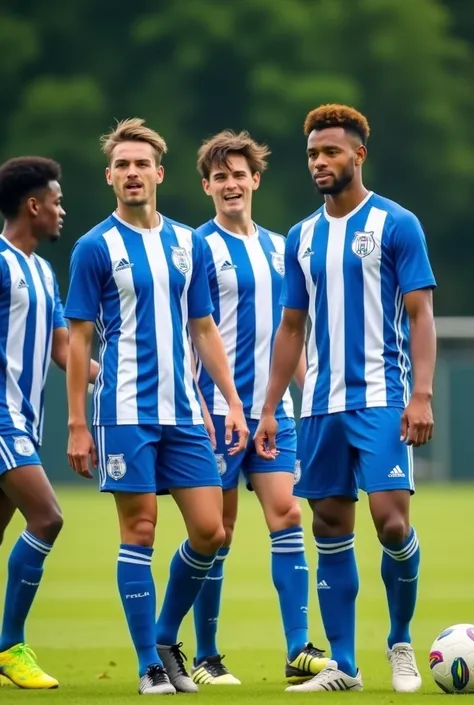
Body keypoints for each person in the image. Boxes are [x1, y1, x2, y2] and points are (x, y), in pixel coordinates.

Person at [255, 104, 436, 693]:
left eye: (330, 152)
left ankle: (401, 641)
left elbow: (420, 314)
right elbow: (290, 329)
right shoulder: (302, 237)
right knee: (329, 525)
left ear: (358, 154)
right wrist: (268, 408)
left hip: (383, 399)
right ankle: (344, 665)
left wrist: (423, 395)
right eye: (312, 154)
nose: (319, 163)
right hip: (319, 409)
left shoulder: (397, 224)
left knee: (390, 522)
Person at [64, 118, 249, 696]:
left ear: (160, 173)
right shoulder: (94, 247)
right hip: (124, 411)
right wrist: (76, 423)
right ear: (109, 177)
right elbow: (77, 340)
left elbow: (203, 327)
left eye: (141, 163)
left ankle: (166, 636)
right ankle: (149, 665)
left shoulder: (186, 242)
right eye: (122, 165)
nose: (132, 173)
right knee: (139, 529)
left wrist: (234, 402)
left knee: (211, 530)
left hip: (187, 412)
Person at [190, 130, 327, 687]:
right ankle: (205, 655)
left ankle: (298, 651)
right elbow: (189, 333)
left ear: (256, 179)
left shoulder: (281, 247)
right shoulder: (194, 247)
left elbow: (289, 334)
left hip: (274, 412)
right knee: (217, 531)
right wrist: (202, 403)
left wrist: (308, 393)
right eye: (219, 176)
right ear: (206, 186)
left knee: (289, 515)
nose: (230, 184)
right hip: (218, 412)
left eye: (238, 174)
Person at [0, 157, 97, 689]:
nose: (63, 210)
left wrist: (117, 375)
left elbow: (66, 349)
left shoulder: (39, 269)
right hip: (2, 420)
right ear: (33, 206)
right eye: (56, 202)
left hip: (22, 421)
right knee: (48, 517)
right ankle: (10, 647)